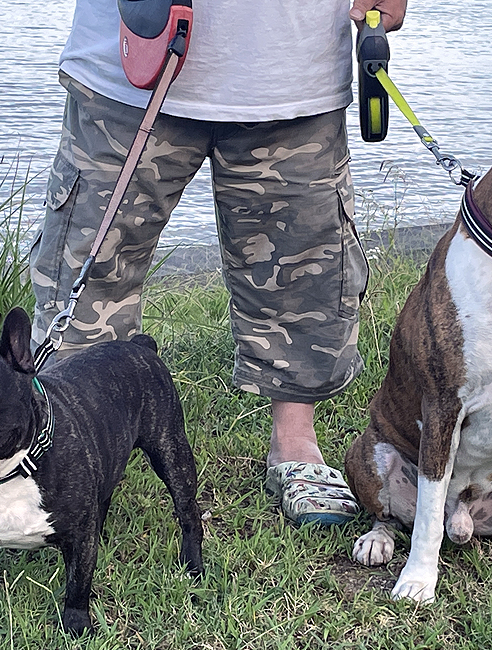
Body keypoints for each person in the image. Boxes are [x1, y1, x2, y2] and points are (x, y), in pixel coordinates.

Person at [29, 0, 407, 526]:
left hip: (293, 76)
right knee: (89, 276)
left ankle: (294, 447)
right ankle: (71, 449)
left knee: (301, 278)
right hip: (125, 74)